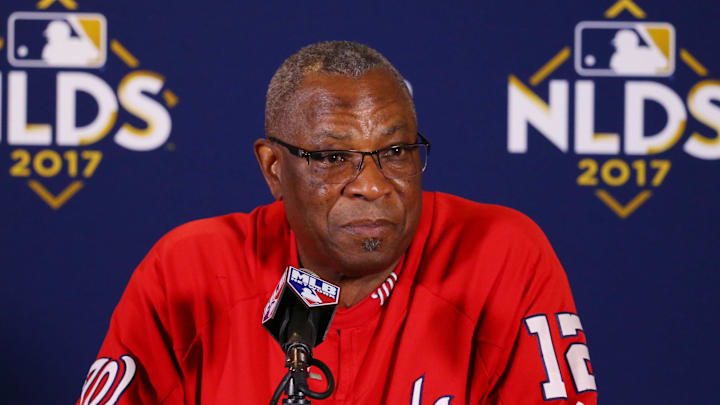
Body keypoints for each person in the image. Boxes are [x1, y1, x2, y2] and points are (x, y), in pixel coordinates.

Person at [76, 41, 597, 405]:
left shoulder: (499, 254)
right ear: (274, 169)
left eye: (395, 151)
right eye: (331, 158)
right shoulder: (189, 270)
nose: (371, 184)